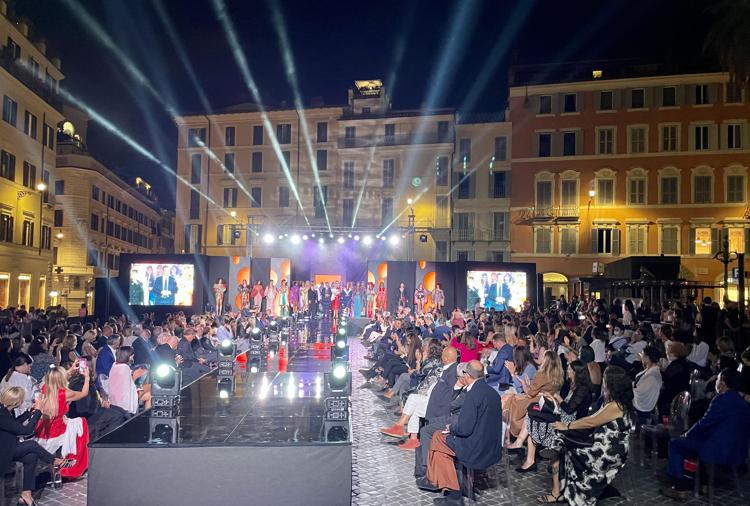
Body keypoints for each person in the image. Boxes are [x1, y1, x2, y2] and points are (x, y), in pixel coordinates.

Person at [539, 365, 634, 505]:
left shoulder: (615, 406)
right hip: (600, 442)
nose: (602, 381)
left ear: (610, 383)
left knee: (562, 443)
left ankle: (557, 488)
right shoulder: (614, 402)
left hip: (607, 450)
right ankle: (556, 451)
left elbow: (592, 421)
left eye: (605, 379)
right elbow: (594, 418)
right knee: (561, 443)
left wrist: (567, 426)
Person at [417, 360, 502, 505]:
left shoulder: (473, 394)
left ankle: (453, 494)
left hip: (475, 448)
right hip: (491, 447)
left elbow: (464, 429)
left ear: (467, 375)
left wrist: (450, 428)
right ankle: (450, 484)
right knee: (440, 440)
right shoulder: (493, 393)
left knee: (437, 437)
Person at [660, 368, 750, 501]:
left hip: (718, 451)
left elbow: (705, 423)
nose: (715, 381)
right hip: (738, 453)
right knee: (702, 443)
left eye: (718, 379)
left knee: (675, 444)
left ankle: (680, 488)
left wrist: (687, 434)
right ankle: (704, 483)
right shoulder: (743, 403)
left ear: (723, 384)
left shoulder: (721, 399)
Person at [515, 360, 593, 472]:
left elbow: (569, 409)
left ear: (576, 372)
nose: (568, 371)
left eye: (570, 369)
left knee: (534, 419)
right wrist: (551, 398)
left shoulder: (582, 389)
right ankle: (528, 455)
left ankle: (530, 456)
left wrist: (556, 397)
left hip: (570, 420)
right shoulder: (572, 384)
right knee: (533, 412)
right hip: (563, 414)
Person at [1, 387, 64, 506]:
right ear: (16, 402)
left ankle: (26, 494)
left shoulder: (6, 411)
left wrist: (29, 413)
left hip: (10, 447)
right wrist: (39, 411)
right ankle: (54, 460)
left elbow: (14, 424)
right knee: (32, 445)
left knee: (31, 456)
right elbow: (26, 430)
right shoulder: (1, 415)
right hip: (5, 452)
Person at [35, 365, 90, 479]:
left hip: (42, 431)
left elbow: (56, 377)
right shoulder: (65, 393)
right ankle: (72, 468)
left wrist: (70, 370)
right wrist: (87, 377)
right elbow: (84, 393)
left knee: (72, 422)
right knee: (81, 422)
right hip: (57, 432)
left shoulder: (45, 388)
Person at [504, 350, 564, 438]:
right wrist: (529, 384)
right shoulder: (559, 376)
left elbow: (530, 394)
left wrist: (525, 385)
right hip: (551, 403)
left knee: (509, 400)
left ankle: (507, 433)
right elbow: (541, 388)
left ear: (546, 361)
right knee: (509, 398)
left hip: (538, 401)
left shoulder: (542, 374)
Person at [108, 347, 149, 414]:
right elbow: (129, 387)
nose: (132, 358)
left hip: (114, 398)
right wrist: (136, 375)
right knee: (149, 390)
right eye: (132, 356)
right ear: (128, 356)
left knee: (143, 385)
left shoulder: (114, 365)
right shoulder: (124, 368)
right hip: (124, 399)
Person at [633, 346, 662, 424]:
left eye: (642, 354)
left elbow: (641, 393)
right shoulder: (649, 370)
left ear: (648, 357)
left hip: (642, 411)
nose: (641, 356)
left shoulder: (653, 375)